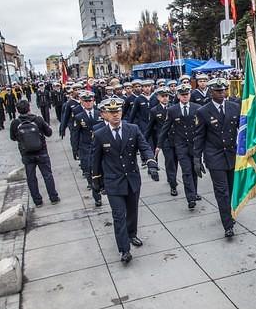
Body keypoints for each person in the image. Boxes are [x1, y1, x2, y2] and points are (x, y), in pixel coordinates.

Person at [92, 97, 159, 264]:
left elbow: (144, 147)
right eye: (112, 112)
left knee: (132, 210)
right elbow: (95, 159)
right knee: (118, 215)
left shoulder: (132, 129)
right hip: (113, 181)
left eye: (118, 111)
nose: (115, 115)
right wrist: (95, 180)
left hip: (132, 178)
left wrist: (151, 163)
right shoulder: (100, 134)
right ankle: (124, 249)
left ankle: (132, 234)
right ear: (105, 114)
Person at [193, 78, 240, 237]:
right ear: (211, 92)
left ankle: (230, 213)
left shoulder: (234, 107)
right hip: (215, 157)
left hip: (232, 156)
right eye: (218, 91)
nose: (221, 93)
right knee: (222, 192)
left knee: (232, 190)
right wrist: (196, 159)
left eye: (223, 90)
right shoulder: (203, 111)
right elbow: (199, 137)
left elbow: (243, 130)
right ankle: (227, 224)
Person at [158, 83, 202, 209]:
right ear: (178, 96)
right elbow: (165, 128)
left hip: (195, 145)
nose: (185, 97)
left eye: (187, 94)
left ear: (190, 94)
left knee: (195, 170)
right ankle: (191, 198)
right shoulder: (172, 110)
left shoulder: (197, 108)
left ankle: (194, 191)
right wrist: (159, 145)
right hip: (181, 145)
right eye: (182, 95)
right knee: (186, 171)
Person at [10, 100, 60, 208]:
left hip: (27, 154)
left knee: (31, 178)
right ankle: (53, 197)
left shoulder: (15, 123)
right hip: (41, 152)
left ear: (17, 110)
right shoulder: (38, 119)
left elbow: (13, 137)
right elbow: (49, 133)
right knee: (47, 175)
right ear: (29, 108)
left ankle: (38, 201)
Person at [72, 91, 105, 207]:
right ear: (82, 102)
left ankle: (104, 186)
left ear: (93, 101)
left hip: (99, 146)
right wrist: (75, 149)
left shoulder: (100, 114)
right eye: (85, 101)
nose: (88, 103)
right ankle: (97, 197)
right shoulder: (79, 117)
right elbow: (75, 134)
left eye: (90, 100)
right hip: (86, 147)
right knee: (91, 172)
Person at [146, 87, 179, 196]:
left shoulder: (174, 108)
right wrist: (144, 142)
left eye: (167, 96)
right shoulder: (154, 111)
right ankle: (173, 185)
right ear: (158, 97)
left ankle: (171, 178)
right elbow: (150, 127)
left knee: (175, 161)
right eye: (163, 96)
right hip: (164, 140)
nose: (165, 98)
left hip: (176, 139)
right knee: (169, 162)